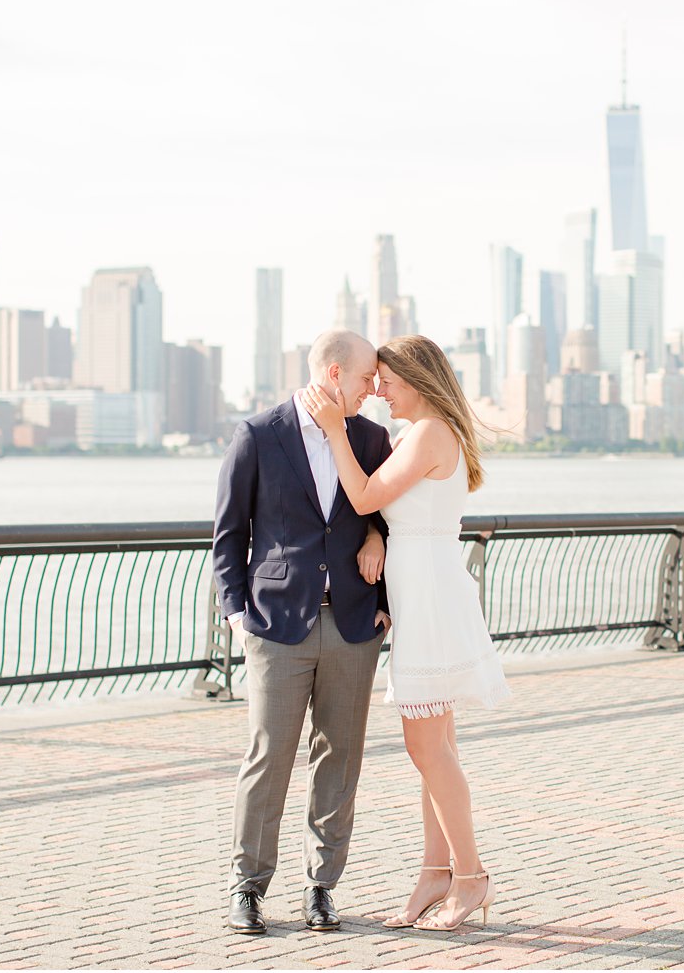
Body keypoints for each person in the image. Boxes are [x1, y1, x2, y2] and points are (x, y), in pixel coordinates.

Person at [300, 332, 511, 933]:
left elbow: (364, 493)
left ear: (416, 382)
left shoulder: (429, 432)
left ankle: (470, 877)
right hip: (424, 595)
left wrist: (335, 431)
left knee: (427, 749)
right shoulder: (424, 433)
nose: (379, 392)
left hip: (432, 600)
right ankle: (435, 872)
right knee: (435, 750)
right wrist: (372, 537)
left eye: (387, 383)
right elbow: (383, 514)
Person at [213, 329, 394, 935]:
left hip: (351, 624)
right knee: (269, 757)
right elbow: (228, 535)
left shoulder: (371, 439)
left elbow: (394, 519)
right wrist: (239, 617)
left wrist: (380, 574)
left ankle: (321, 888)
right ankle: (247, 887)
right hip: (275, 627)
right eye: (368, 378)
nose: (376, 389)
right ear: (335, 374)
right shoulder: (259, 436)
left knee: (339, 759)